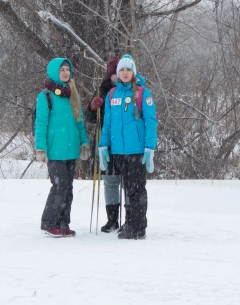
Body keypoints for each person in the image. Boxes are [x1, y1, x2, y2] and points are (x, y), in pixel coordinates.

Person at [97, 55, 157, 239]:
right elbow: (107, 123)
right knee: (128, 188)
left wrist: (149, 148)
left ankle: (138, 227)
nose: (124, 73)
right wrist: (103, 146)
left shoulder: (141, 93)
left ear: (133, 72)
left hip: (136, 150)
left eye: (128, 70)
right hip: (118, 151)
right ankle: (129, 222)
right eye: (122, 70)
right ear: (117, 73)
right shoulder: (112, 94)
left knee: (136, 189)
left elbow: (151, 121)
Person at [35, 58, 91, 237]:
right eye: (62, 70)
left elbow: (79, 121)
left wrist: (84, 143)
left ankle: (63, 223)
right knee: (60, 186)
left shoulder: (73, 94)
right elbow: (41, 123)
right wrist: (41, 148)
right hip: (55, 149)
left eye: (68, 69)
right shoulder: (45, 96)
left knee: (68, 187)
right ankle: (50, 223)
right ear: (54, 72)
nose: (66, 73)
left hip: (71, 149)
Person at [85, 56, 129, 233]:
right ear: (109, 76)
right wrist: (92, 108)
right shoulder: (102, 92)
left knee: (127, 182)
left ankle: (129, 218)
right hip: (106, 144)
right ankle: (112, 219)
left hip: (126, 145)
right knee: (110, 181)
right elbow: (89, 118)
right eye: (114, 74)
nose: (117, 77)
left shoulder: (130, 92)